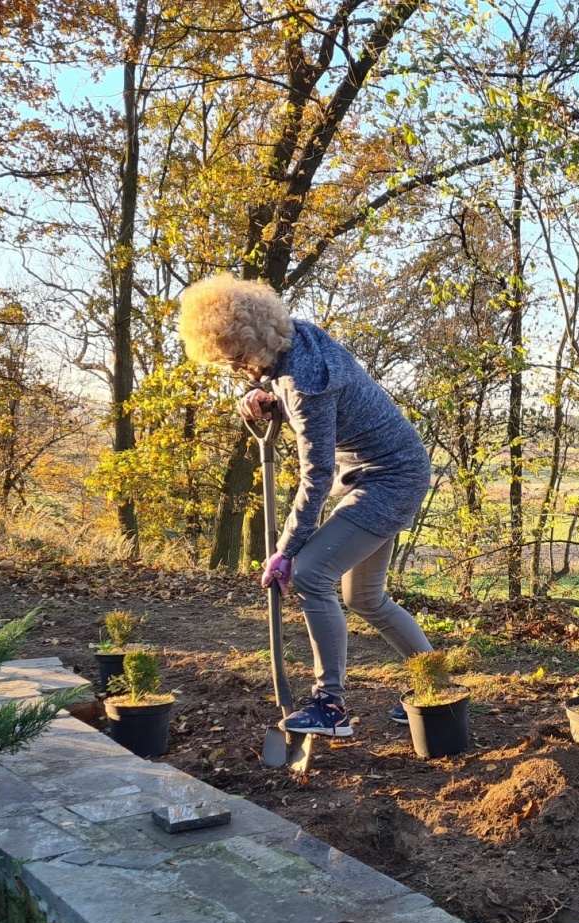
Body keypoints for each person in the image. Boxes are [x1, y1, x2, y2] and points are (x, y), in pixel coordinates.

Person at [178, 274, 435, 737]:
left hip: (389, 480)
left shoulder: (305, 386)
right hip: (382, 472)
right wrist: (264, 393)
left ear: (252, 341)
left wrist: (285, 549)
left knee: (311, 574)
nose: (236, 368)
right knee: (364, 598)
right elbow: (289, 386)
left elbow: (315, 476)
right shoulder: (300, 337)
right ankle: (436, 687)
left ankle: (330, 706)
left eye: (236, 359)